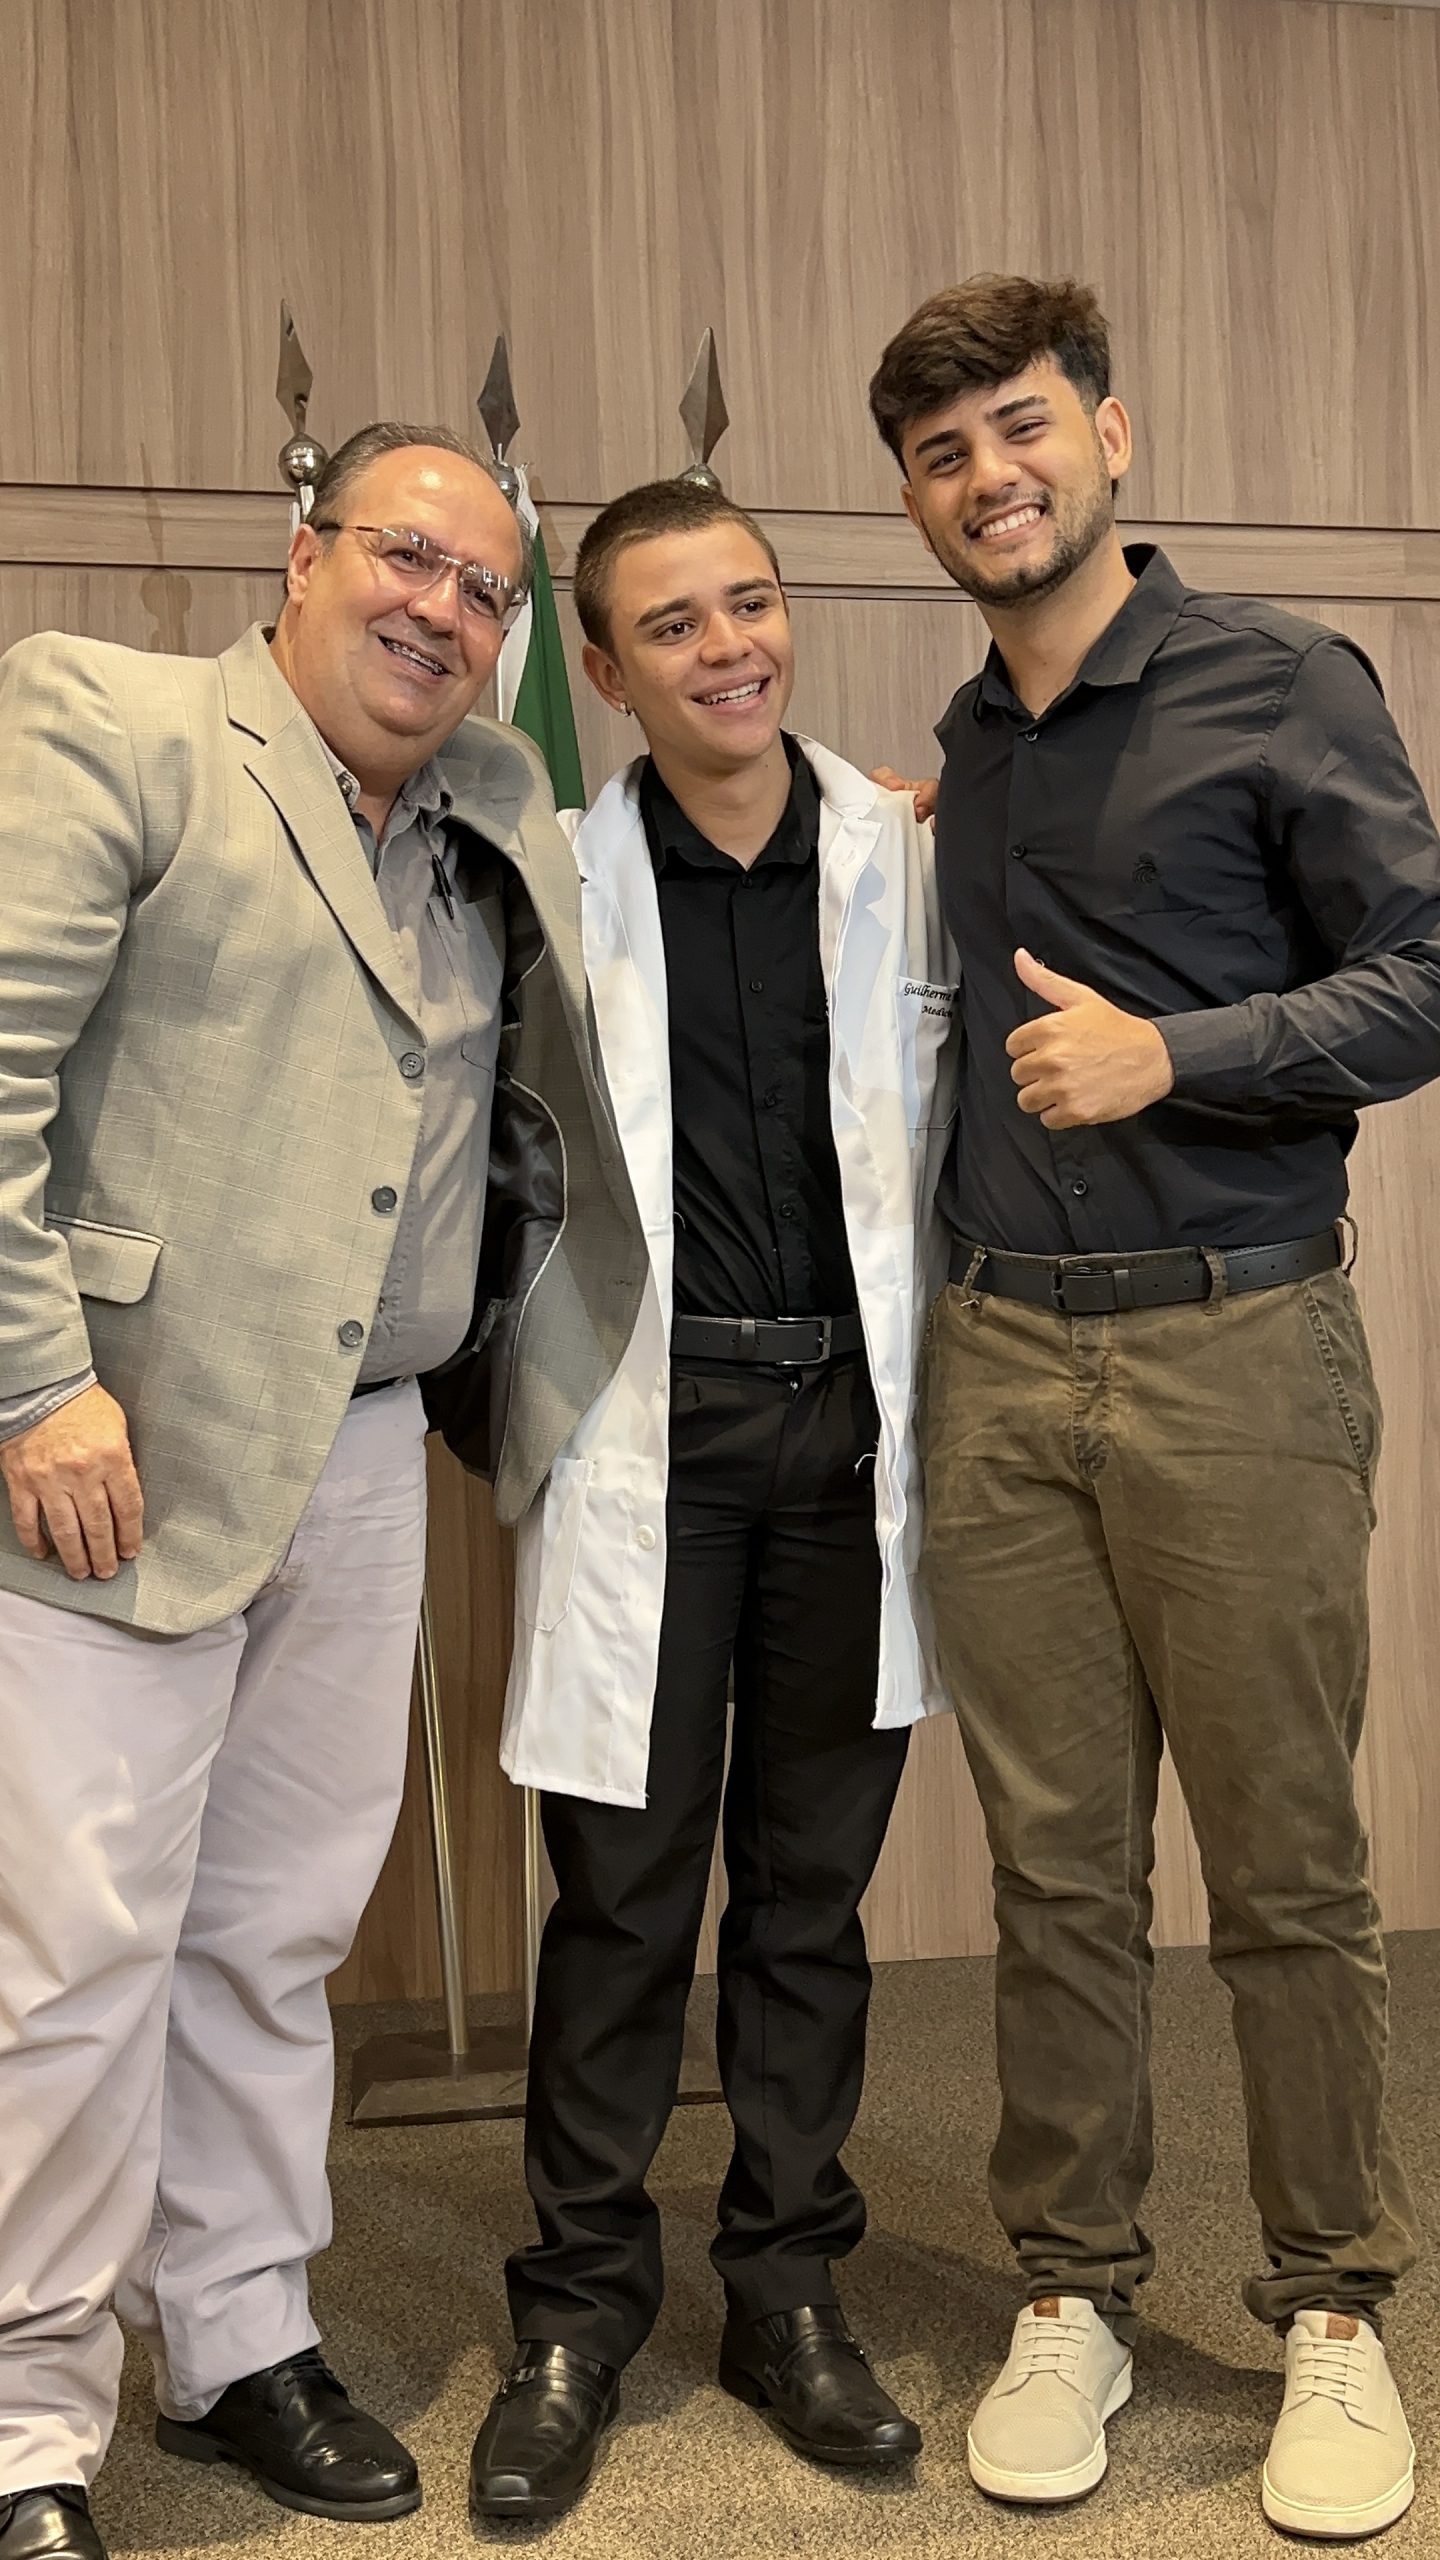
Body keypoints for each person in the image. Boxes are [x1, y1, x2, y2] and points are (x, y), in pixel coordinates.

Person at [0, 423, 643, 2560]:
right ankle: (24, 2419)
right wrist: (36, 1384)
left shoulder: (493, 796)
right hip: (119, 1444)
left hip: (368, 1448)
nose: (441, 610)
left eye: (484, 589)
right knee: (76, 1953)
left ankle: (238, 2334)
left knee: (276, 1933)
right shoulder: (113, 722)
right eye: (404, 557)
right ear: (301, 553)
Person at [865, 272, 1440, 2543]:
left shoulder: (1282, 678)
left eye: (1021, 427)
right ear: (919, 502)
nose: (988, 477)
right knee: (1059, 1871)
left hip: (1237, 1344)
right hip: (1001, 1359)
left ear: (1109, 432)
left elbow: (1424, 976)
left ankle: (1333, 2310)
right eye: (942, 455)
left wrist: (1170, 1055)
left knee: (1287, 1870)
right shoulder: (970, 744)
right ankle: (1074, 2286)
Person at [460, 479, 959, 2526]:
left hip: (850, 1442)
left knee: (811, 1902)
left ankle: (787, 2289)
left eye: (749, 603)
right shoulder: (549, 879)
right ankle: (578, 2313)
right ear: (601, 668)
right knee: (622, 1904)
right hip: (647, 1447)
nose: (726, 647)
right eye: (671, 625)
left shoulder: (909, 856)